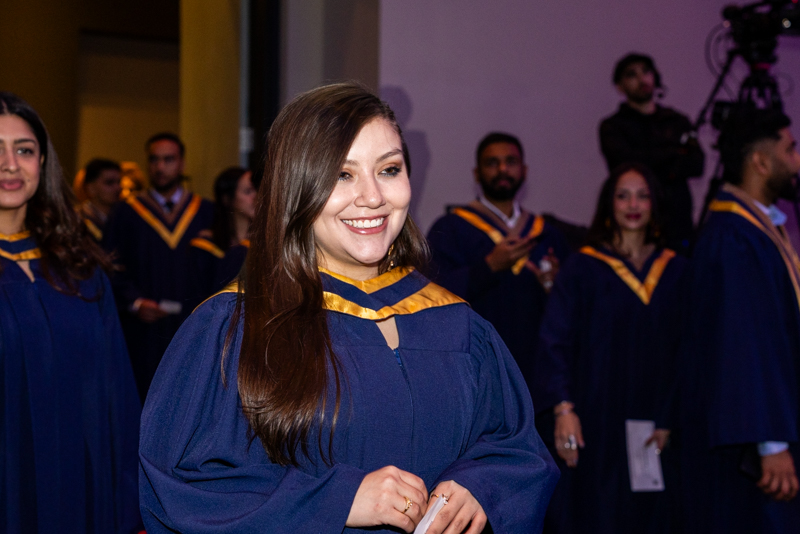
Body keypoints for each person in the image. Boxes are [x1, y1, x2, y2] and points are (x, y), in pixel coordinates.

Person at [139, 83, 559, 533]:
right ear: (295, 188)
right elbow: (181, 487)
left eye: (389, 169)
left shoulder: (455, 324)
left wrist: (481, 485)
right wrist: (338, 500)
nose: (373, 197)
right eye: (342, 175)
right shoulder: (235, 326)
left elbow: (515, 446)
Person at [0, 92, 141, 532]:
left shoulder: (78, 267)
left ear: (42, 163)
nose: (10, 164)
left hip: (85, 483)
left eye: (24, 150)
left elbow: (116, 391)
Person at [533, 162, 685, 533]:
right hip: (596, 419)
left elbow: (688, 353)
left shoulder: (678, 270)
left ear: (655, 204)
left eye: (642, 195)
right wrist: (563, 409)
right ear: (608, 204)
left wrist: (671, 418)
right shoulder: (583, 268)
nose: (633, 204)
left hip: (661, 421)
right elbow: (555, 341)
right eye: (622, 195)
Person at [678, 107, 800, 533]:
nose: (797, 160)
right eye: (791, 148)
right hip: (756, 442)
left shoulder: (761, 228)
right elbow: (746, 343)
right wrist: (771, 442)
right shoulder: (734, 236)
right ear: (761, 162)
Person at [426, 132, 570, 392]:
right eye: (492, 163)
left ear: (524, 171)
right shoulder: (450, 229)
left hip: (535, 373)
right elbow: (431, 297)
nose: (503, 169)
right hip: (475, 369)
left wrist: (554, 288)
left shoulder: (548, 234)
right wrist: (488, 267)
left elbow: (568, 316)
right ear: (477, 173)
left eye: (510, 162)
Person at [103, 132, 214, 400]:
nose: (161, 167)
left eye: (169, 159)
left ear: (182, 163)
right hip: (143, 334)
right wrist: (135, 302)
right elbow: (109, 267)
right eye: (154, 160)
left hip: (194, 328)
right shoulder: (126, 213)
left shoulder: (207, 212)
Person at [599, 53, 705, 252]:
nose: (642, 79)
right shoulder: (613, 126)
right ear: (620, 86)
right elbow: (625, 165)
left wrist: (652, 160)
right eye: (632, 75)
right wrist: (673, 154)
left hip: (678, 222)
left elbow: (696, 164)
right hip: (636, 226)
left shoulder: (676, 120)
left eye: (646, 72)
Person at [188, 166, 255, 303]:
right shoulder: (205, 248)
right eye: (248, 191)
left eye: (257, 190)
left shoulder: (264, 243)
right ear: (226, 199)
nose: (256, 196)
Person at [77, 157, 122, 241]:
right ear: (91, 188)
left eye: (119, 182)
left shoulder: (123, 218)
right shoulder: (77, 220)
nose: (118, 188)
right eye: (109, 182)